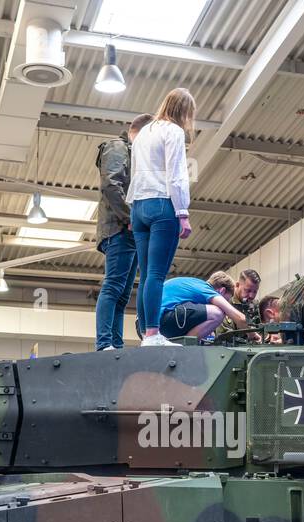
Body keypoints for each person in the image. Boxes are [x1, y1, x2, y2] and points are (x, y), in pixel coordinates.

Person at [127, 87, 196, 344]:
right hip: (161, 205)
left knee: (146, 275)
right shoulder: (173, 131)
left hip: (139, 206)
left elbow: (135, 172)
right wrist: (183, 212)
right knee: (157, 274)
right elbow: (176, 174)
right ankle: (154, 333)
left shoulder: (144, 132)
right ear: (185, 112)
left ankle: (147, 332)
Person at [95, 113, 155, 350]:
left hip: (129, 230)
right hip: (119, 228)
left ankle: (114, 344)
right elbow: (111, 184)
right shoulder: (118, 148)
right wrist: (130, 217)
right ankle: (104, 343)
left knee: (121, 294)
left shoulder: (133, 154)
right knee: (113, 287)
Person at [157, 270, 250, 341]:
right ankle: (184, 347)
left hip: (153, 325)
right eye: (226, 299)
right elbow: (239, 318)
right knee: (218, 313)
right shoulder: (206, 289)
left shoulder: (194, 285)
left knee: (208, 332)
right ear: (222, 291)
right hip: (165, 318)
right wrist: (253, 334)